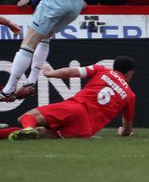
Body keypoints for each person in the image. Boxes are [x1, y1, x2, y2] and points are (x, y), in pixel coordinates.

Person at [1, 56, 136, 140]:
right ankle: (26, 132)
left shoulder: (103, 70)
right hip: (85, 129)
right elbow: (127, 128)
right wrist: (123, 131)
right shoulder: (130, 95)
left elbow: (71, 72)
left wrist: (49, 73)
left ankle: (28, 128)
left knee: (26, 118)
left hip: (76, 108)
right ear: (130, 73)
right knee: (41, 135)